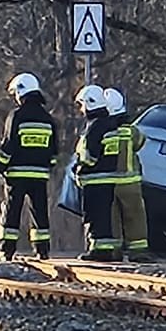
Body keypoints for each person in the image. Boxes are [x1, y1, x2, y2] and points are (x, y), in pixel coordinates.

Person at [0, 72, 58, 261]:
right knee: (40, 212)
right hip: (40, 176)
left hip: (17, 174)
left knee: (12, 211)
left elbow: (9, 144)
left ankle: (7, 250)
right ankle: (42, 250)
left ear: (21, 92)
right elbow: (54, 150)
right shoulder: (48, 119)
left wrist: (0, 164)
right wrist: (47, 167)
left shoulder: (16, 116)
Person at [100, 87, 150, 264]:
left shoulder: (101, 130)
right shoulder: (131, 131)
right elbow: (140, 142)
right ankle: (139, 252)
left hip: (108, 182)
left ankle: (114, 251)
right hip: (131, 183)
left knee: (112, 218)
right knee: (135, 216)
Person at [72, 84, 121, 259]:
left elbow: (89, 155)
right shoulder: (110, 124)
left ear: (90, 103)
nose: (81, 109)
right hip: (108, 177)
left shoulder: (95, 126)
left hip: (94, 178)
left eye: (82, 104)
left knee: (92, 215)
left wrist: (78, 167)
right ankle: (105, 250)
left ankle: (96, 250)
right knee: (104, 216)